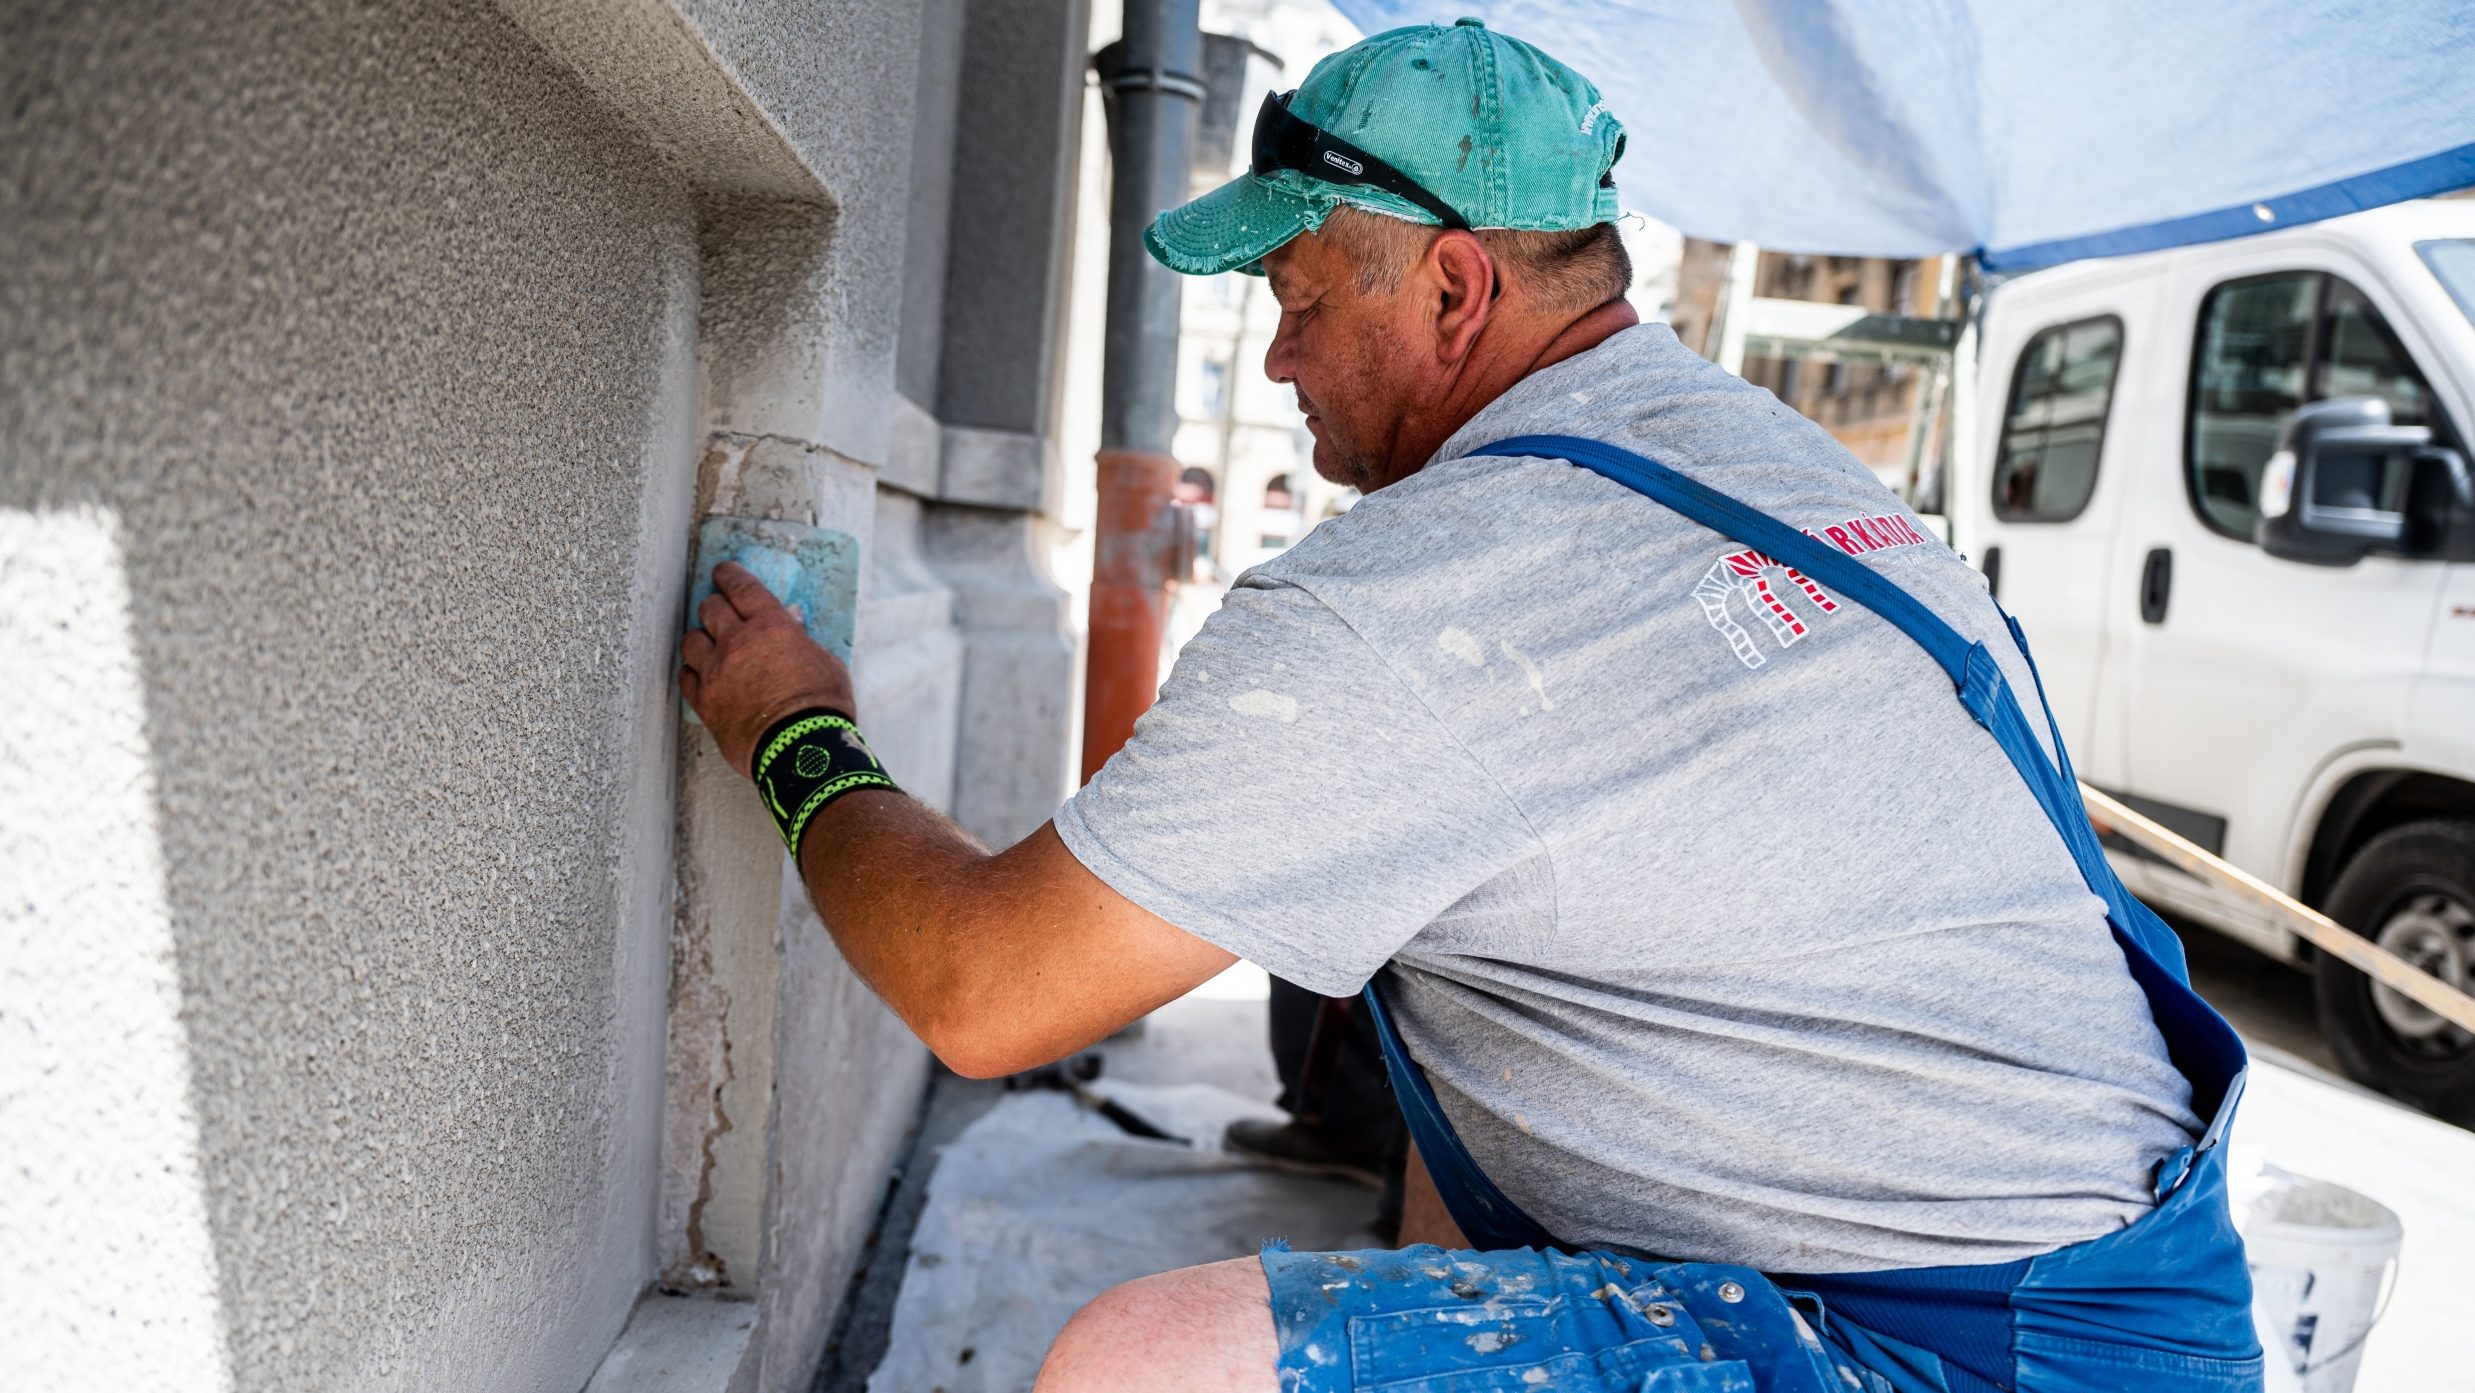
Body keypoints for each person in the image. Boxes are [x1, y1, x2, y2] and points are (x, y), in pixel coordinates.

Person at [679, 19, 2262, 1393]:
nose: (1281, 352)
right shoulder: (1759, 462)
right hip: (2158, 1310)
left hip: (1932, 1345)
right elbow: (1489, 1081)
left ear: (1452, 284)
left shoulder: (1435, 599)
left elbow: (982, 985)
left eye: (1302, 293)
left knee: (1144, 1363)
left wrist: (795, 726)